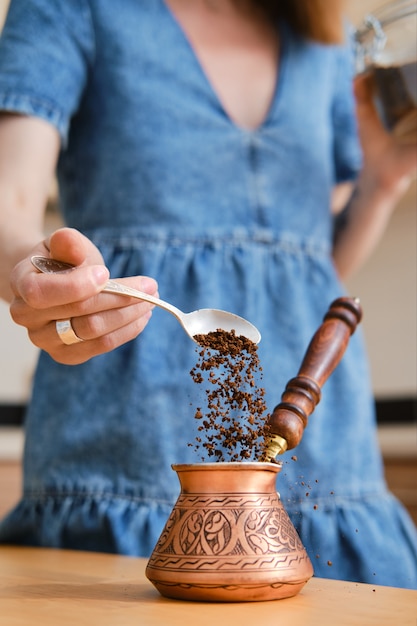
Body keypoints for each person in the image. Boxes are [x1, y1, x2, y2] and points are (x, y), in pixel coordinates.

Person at [0, 0, 416, 588]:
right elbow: (8, 201)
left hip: (326, 448)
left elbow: (308, 270)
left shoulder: (327, 41)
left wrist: (382, 183)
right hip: (127, 448)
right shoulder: (71, 8)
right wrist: (36, 275)